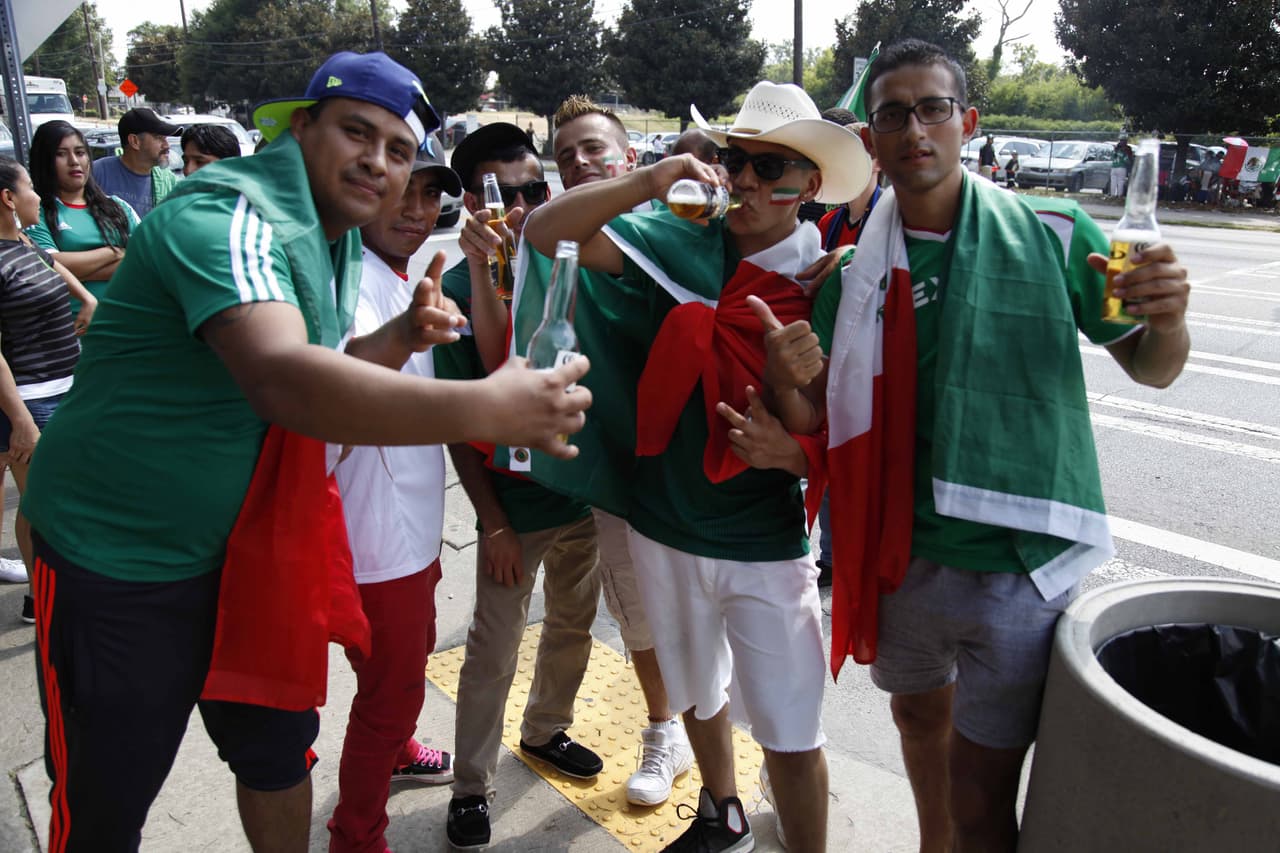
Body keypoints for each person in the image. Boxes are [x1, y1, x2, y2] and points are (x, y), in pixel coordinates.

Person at [21, 51, 592, 853]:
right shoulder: (226, 215)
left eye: (400, 151)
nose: (380, 162)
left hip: (249, 554)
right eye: (358, 132)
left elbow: (318, 368)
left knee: (277, 758)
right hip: (119, 561)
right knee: (106, 799)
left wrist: (396, 337)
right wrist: (491, 405)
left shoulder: (335, 238)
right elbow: (282, 380)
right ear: (300, 127)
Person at [798, 39, 1190, 853]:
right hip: (900, 558)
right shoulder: (848, 278)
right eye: (893, 114)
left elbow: (1153, 367)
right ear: (870, 140)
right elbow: (819, 417)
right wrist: (786, 373)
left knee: (984, 799)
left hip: (1019, 564)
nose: (916, 130)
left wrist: (1171, 318)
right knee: (915, 718)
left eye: (934, 108)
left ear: (968, 123)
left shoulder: (1057, 230)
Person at [522, 80, 871, 853]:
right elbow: (548, 233)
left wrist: (795, 419)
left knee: (790, 722)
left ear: (808, 186)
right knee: (693, 691)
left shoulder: (835, 277)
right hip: (662, 519)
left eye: (770, 166)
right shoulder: (675, 239)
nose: (745, 179)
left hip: (762, 538)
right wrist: (649, 177)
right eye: (736, 159)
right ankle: (726, 817)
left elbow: (845, 423)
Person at [433, 122, 603, 851]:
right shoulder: (451, 287)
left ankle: (544, 731)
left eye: (539, 187)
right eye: (509, 189)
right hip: (516, 509)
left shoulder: (572, 260)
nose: (529, 202)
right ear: (474, 197)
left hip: (581, 498)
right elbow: (456, 419)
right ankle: (471, 784)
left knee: (572, 623)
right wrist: (493, 521)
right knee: (493, 646)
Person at [546, 94, 694, 807]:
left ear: (631, 156)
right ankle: (666, 728)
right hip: (622, 466)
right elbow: (546, 236)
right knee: (638, 612)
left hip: (702, 465)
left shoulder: (679, 226)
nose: (579, 161)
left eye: (594, 148)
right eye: (566, 154)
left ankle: (768, 755)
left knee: (726, 613)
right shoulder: (559, 243)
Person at [326, 140, 465, 853]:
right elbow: (342, 391)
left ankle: (401, 746)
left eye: (430, 194)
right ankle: (357, 835)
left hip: (405, 525)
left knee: (383, 679)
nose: (417, 211)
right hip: (377, 538)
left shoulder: (396, 270)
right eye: (404, 191)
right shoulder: (352, 283)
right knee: (392, 689)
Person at [0, 157, 97, 621]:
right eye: (30, 188)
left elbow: (50, 264)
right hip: (30, 400)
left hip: (63, 390)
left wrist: (88, 297)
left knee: (52, 498)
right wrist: (19, 418)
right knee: (43, 504)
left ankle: (48, 593)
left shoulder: (21, 242)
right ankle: (44, 599)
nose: (38, 195)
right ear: (8, 199)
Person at [26, 121, 140, 311]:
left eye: (80, 152)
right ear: (44, 161)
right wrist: (115, 251)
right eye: (61, 154)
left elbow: (145, 261)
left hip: (128, 324)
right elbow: (49, 267)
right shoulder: (35, 213)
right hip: (73, 329)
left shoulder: (118, 207)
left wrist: (76, 270)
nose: (74, 161)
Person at [89, 107, 181, 217]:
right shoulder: (97, 173)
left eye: (165, 138)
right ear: (135, 141)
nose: (167, 145)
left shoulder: (168, 181)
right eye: (158, 137)